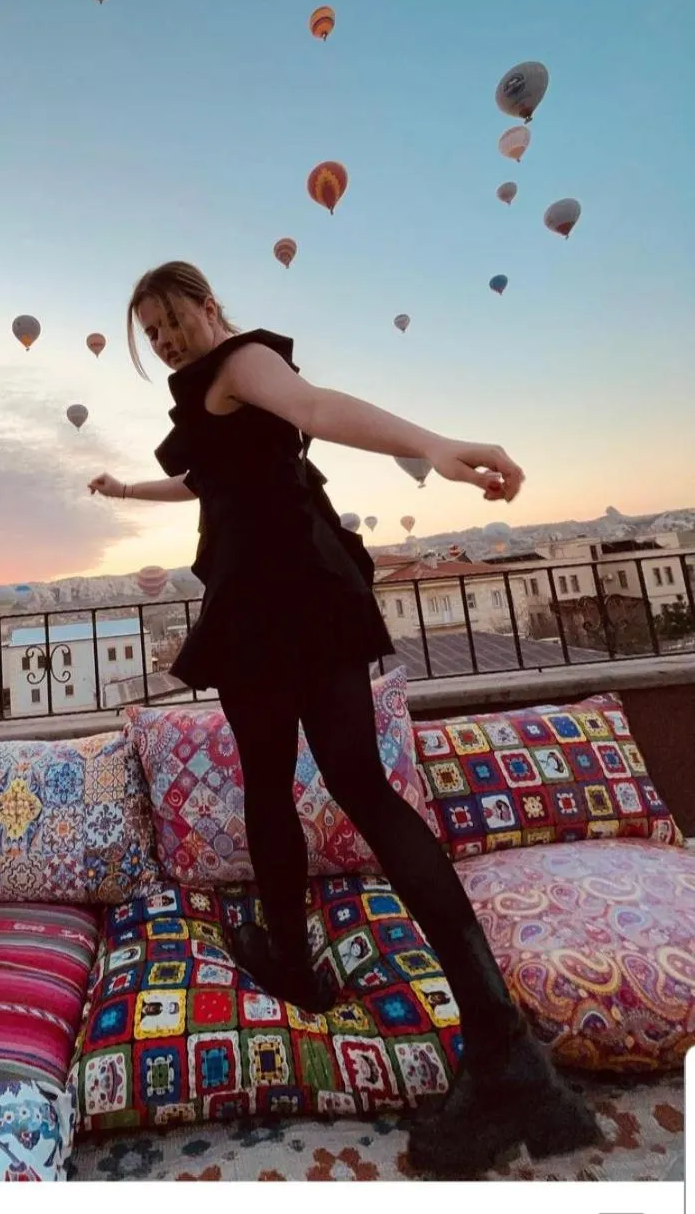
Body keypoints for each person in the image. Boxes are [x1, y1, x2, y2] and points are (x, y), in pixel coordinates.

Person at [88, 261, 600, 1177]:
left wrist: (436, 445)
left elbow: (317, 407)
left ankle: (469, 1035)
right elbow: (208, 480)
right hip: (304, 586)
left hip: (269, 597)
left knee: (285, 786)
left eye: (171, 320)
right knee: (342, 785)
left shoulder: (241, 363)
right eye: (151, 333)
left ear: (209, 306)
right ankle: (494, 1041)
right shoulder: (219, 391)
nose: (163, 341)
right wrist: (128, 491)